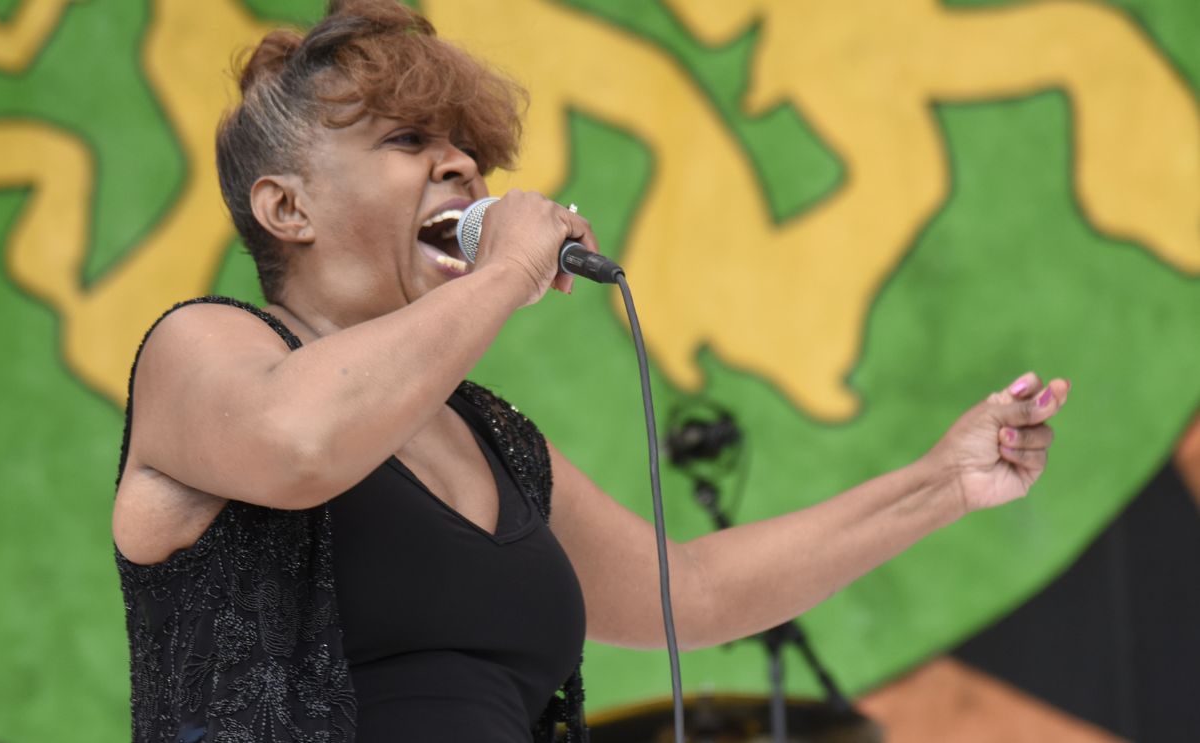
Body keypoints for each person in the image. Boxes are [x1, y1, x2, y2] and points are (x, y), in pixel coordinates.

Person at [110, 1, 1071, 741]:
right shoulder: (202, 349)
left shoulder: (491, 438)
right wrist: (510, 270)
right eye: (408, 143)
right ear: (286, 208)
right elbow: (301, 444)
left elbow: (686, 591)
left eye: (468, 155)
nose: (460, 171)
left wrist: (940, 482)